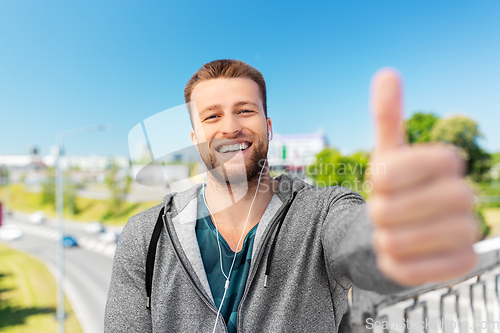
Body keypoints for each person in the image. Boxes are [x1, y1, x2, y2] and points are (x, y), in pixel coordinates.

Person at [104, 59, 478, 333]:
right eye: (211, 117)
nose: (231, 127)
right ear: (194, 137)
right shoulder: (145, 236)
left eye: (245, 111)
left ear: (267, 126)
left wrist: (394, 238)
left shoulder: (322, 213)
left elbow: (360, 243)